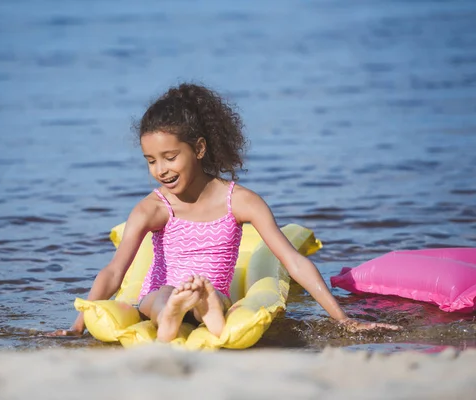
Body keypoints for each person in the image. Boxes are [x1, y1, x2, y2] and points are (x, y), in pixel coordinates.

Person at [49, 83, 400, 341]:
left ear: (199, 148)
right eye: (151, 161)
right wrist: (78, 324)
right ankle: (175, 316)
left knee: (207, 295)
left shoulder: (241, 201)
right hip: (160, 295)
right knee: (164, 296)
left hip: (210, 293)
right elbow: (114, 271)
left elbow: (293, 262)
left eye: (170, 157)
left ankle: (200, 314)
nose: (161, 170)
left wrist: (343, 318)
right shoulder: (153, 208)